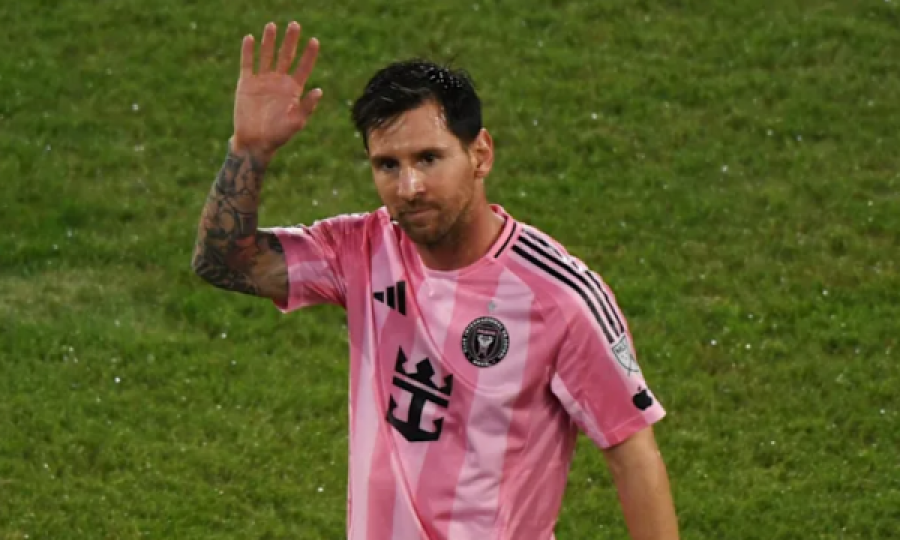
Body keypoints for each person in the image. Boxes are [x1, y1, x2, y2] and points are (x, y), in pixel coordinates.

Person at [191, 20, 680, 540]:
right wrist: (249, 150)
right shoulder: (361, 249)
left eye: (428, 158)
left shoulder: (559, 297)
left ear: (480, 154)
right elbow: (224, 262)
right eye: (387, 165)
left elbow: (632, 453)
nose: (409, 187)